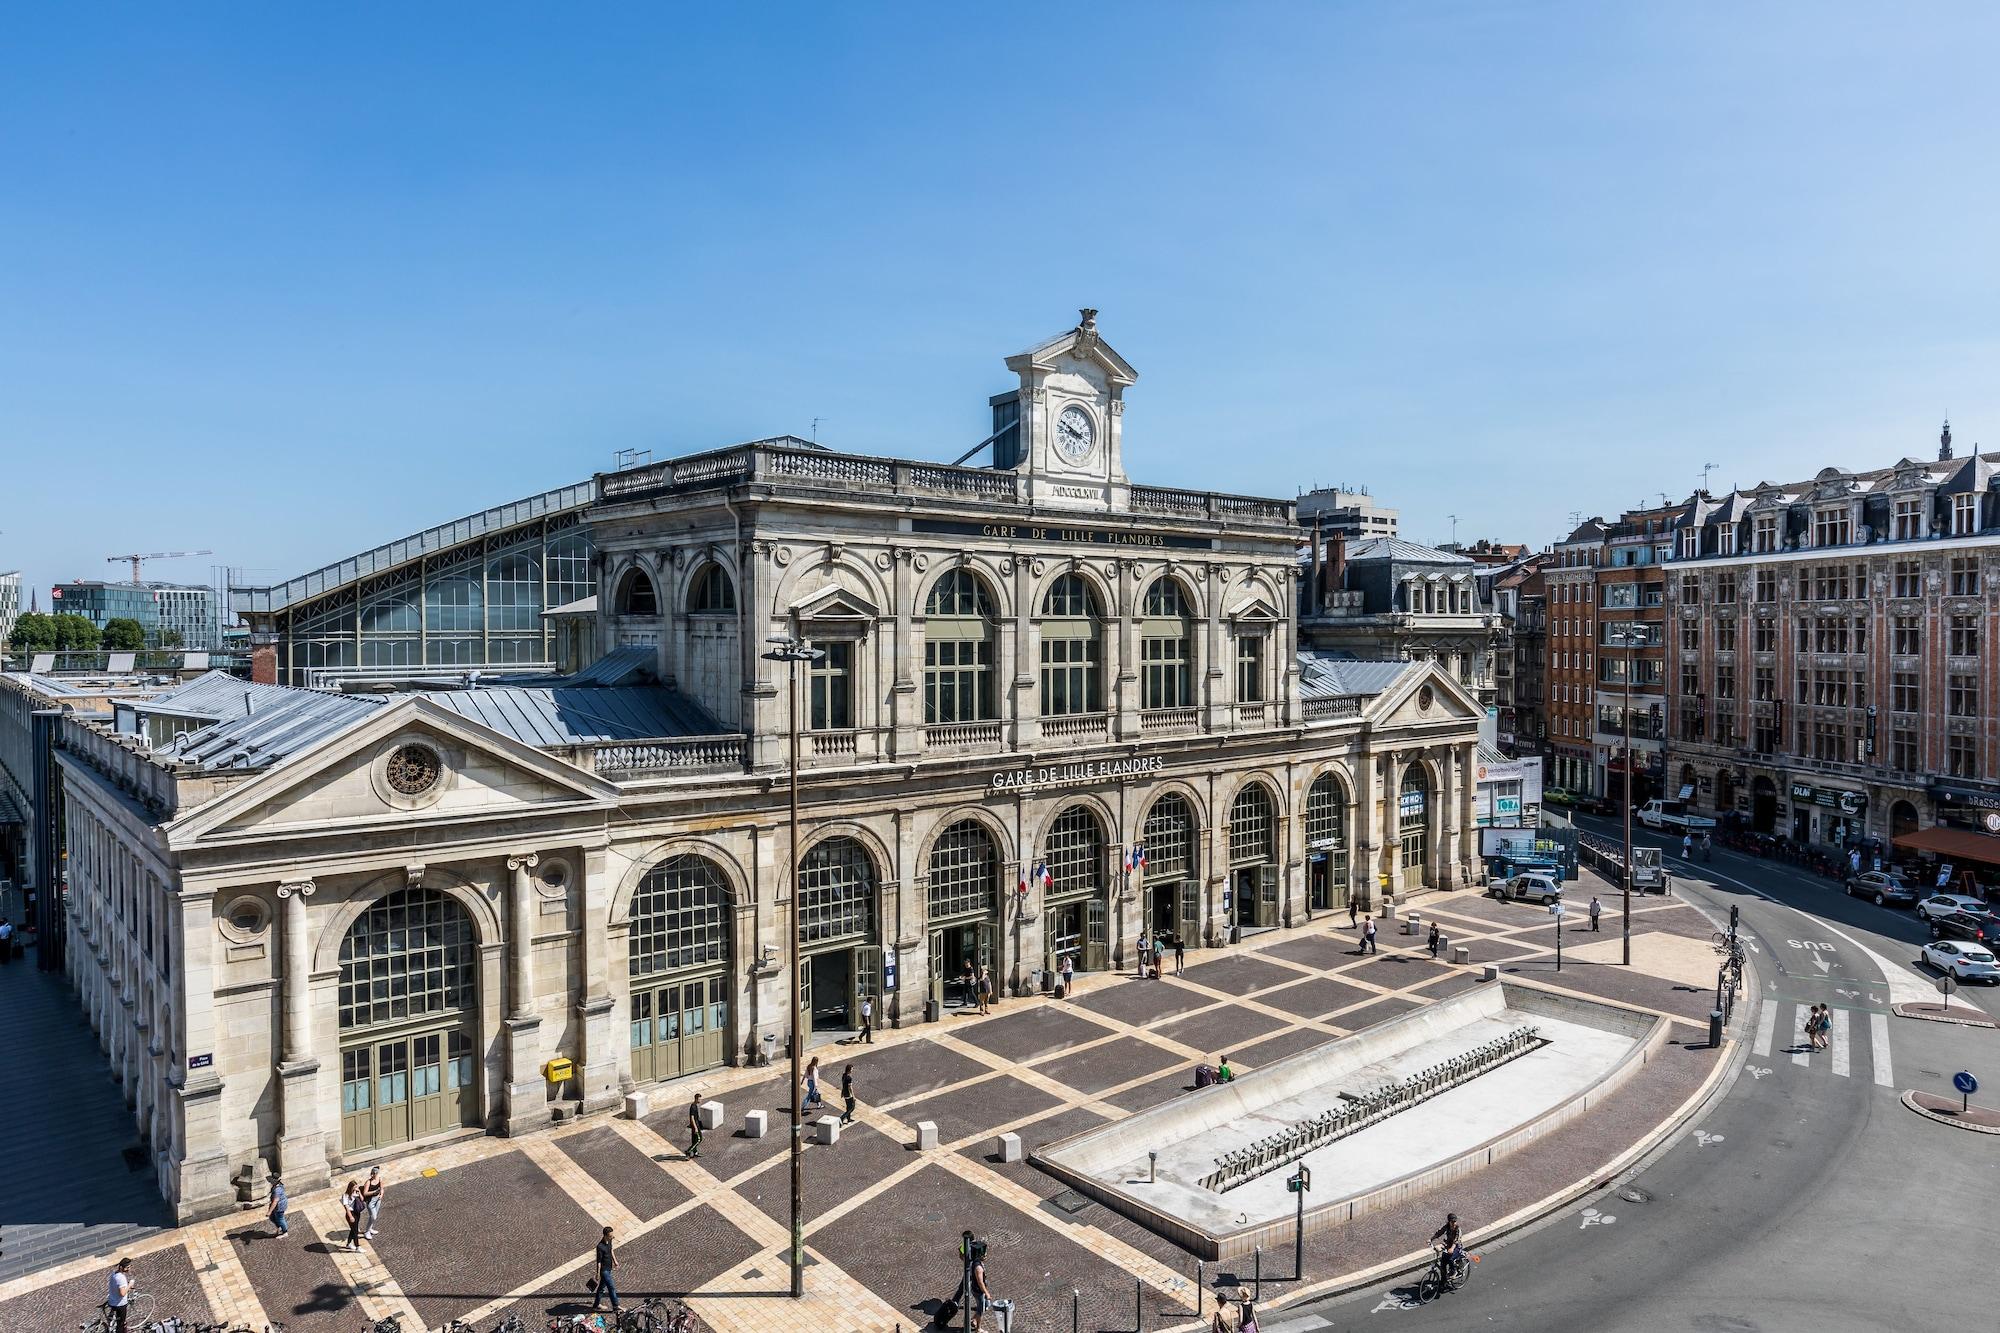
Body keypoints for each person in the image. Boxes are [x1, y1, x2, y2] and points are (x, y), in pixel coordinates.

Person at [591, 1225, 620, 1313]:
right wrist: (597, 1273)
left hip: (609, 1268)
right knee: (611, 1287)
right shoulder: (600, 1247)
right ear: (605, 1236)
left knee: (601, 1288)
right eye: (610, 1236)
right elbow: (598, 1261)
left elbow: (611, 1250)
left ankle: (596, 1305)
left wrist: (615, 1261)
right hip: (604, 1271)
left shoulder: (610, 1240)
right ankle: (615, 1306)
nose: (612, 1237)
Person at [104, 1257, 133, 1333]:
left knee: (115, 1318)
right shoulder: (121, 1278)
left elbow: (117, 1286)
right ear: (121, 1267)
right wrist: (129, 1285)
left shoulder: (114, 1273)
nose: (129, 1269)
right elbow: (122, 1293)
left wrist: (126, 1286)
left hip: (112, 1300)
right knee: (120, 1324)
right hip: (120, 1304)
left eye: (130, 1267)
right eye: (127, 1267)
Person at [340, 1180, 365, 1252]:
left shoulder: (356, 1192)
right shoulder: (345, 1196)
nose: (355, 1188)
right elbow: (346, 1208)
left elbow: (362, 1199)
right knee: (355, 1231)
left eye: (356, 1187)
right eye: (354, 1187)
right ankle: (357, 1246)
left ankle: (348, 1244)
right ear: (350, 1187)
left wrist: (359, 1192)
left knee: (353, 1229)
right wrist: (350, 1217)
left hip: (357, 1212)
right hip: (350, 1213)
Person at [362, 1164, 384, 1239]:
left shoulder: (379, 1179)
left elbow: (382, 1188)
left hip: (378, 1199)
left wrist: (381, 1195)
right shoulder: (368, 1182)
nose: (374, 1175)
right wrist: (373, 1192)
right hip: (370, 1201)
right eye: (373, 1173)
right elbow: (365, 1193)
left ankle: (370, 1229)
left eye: (376, 1173)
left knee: (374, 1216)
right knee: (373, 1216)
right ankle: (367, 1232)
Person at [687, 1093, 704, 1158]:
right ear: (696, 1099)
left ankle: (695, 1152)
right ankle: (689, 1151)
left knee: (694, 1140)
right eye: (699, 1099)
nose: (700, 1100)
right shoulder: (693, 1107)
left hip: (696, 1125)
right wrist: (695, 1127)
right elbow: (692, 1118)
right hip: (695, 1126)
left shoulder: (695, 1105)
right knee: (699, 1139)